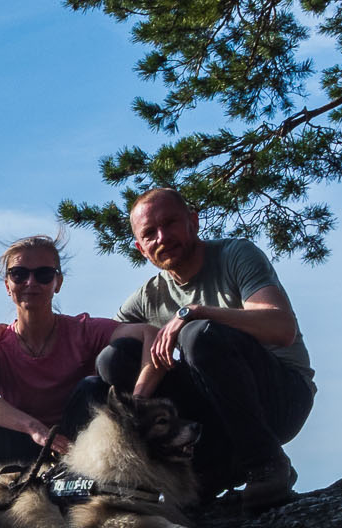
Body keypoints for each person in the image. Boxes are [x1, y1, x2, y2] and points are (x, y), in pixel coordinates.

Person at [96, 188, 315, 509]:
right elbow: (92, 345)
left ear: (193, 222)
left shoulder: (236, 256)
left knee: (198, 335)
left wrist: (197, 312)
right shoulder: (148, 297)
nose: (162, 237)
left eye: (170, 223)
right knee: (113, 360)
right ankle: (202, 473)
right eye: (149, 233)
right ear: (141, 248)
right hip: (213, 418)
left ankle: (265, 464)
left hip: (280, 399)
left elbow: (282, 329)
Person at [0, 235, 154, 490]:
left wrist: (138, 400)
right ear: (7, 285)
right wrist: (34, 429)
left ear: (57, 282)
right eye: (19, 274)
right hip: (25, 444)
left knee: (93, 385)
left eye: (44, 274)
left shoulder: (83, 330)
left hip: (75, 446)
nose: (31, 282)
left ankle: (101, 484)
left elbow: (149, 333)